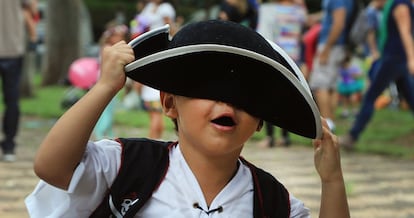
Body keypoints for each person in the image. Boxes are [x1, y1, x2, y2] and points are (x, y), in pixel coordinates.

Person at [25, 20, 349, 217]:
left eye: (246, 97)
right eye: (208, 87)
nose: (228, 102)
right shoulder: (127, 166)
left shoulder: (272, 203)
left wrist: (332, 181)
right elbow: (52, 167)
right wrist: (105, 87)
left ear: (260, 121)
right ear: (169, 104)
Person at [339, 0, 414, 150]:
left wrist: (412, 58)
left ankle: (352, 136)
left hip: (394, 59)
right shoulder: (394, 3)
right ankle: (352, 136)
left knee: (370, 96)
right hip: (396, 58)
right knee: (411, 98)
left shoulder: (401, 5)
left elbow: (405, 32)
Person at [256, 0, 308, 147]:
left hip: (274, 56)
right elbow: (301, 34)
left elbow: (263, 35)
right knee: (287, 97)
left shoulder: (268, 9)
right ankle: (285, 137)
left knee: (269, 98)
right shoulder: (298, 11)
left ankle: (270, 137)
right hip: (293, 59)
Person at [130, 0, 177, 139]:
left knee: (156, 113)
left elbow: (171, 28)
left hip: (159, 49)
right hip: (149, 49)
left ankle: (153, 139)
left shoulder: (165, 8)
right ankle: (154, 138)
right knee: (153, 112)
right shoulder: (149, 7)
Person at [308, 0, 355, 132]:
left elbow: (339, 23)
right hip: (339, 46)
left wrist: (326, 49)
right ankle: (331, 123)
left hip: (331, 45)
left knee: (320, 86)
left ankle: (327, 126)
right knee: (331, 87)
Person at [0, 0, 37, 162]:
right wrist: (33, 36)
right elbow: (32, 10)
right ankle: (9, 147)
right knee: (12, 100)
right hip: (12, 49)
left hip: (13, 50)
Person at [93, 22, 130, 140]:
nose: (121, 38)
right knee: (105, 108)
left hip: (112, 81)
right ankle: (101, 132)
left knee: (110, 108)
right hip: (105, 80)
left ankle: (108, 132)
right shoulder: (107, 49)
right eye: (118, 35)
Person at [337, 53, 364, 118]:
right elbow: (339, 75)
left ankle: (355, 110)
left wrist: (355, 75)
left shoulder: (353, 67)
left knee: (353, 98)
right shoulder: (341, 68)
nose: (344, 65)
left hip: (352, 85)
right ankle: (345, 111)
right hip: (344, 85)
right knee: (344, 98)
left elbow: (360, 74)